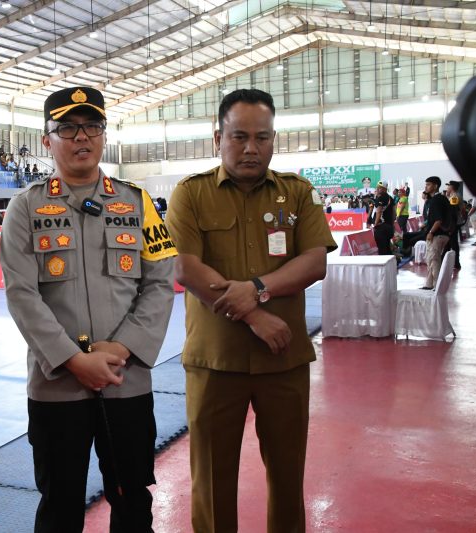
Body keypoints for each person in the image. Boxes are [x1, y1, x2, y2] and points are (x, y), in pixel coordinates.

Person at [0, 86, 177, 533]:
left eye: (92, 126)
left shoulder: (138, 204)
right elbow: (22, 294)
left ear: (103, 134)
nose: (82, 137)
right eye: (68, 128)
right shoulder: (25, 207)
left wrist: (120, 349)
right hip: (57, 385)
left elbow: (159, 283)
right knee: (59, 503)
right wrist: (74, 360)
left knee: (132, 497)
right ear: (47, 140)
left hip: (126, 380)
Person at [165, 88, 336, 533]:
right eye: (239, 136)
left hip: (283, 361)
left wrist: (257, 288)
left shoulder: (297, 194)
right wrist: (256, 313)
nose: (250, 148)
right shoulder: (190, 195)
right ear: (217, 136)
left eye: (262, 138)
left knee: (286, 476)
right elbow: (185, 266)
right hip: (214, 363)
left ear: (273, 140)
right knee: (212, 482)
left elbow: (314, 261)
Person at [421, 176, 452, 290]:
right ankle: (429, 284)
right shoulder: (439, 199)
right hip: (441, 234)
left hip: (437, 234)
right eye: (426, 184)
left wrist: (430, 232)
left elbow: (438, 220)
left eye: (428, 184)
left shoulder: (437, 200)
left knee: (434, 260)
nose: (426, 187)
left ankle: (438, 286)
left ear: (435, 186)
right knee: (430, 259)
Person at [367, 181, 395, 255]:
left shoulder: (381, 198)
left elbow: (379, 211)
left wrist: (375, 224)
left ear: (385, 189)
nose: (378, 189)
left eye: (380, 188)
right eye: (377, 187)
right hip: (389, 226)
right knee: (387, 247)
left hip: (381, 227)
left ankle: (385, 265)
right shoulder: (391, 198)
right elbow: (394, 213)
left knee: (382, 249)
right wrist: (392, 224)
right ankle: (392, 264)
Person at [444, 180, 465, 269]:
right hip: (454, 223)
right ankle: (448, 261)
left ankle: (456, 263)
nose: (447, 188)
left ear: (451, 187)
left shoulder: (454, 197)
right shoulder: (453, 196)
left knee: (453, 243)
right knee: (449, 243)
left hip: (453, 224)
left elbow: (452, 212)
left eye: (448, 186)